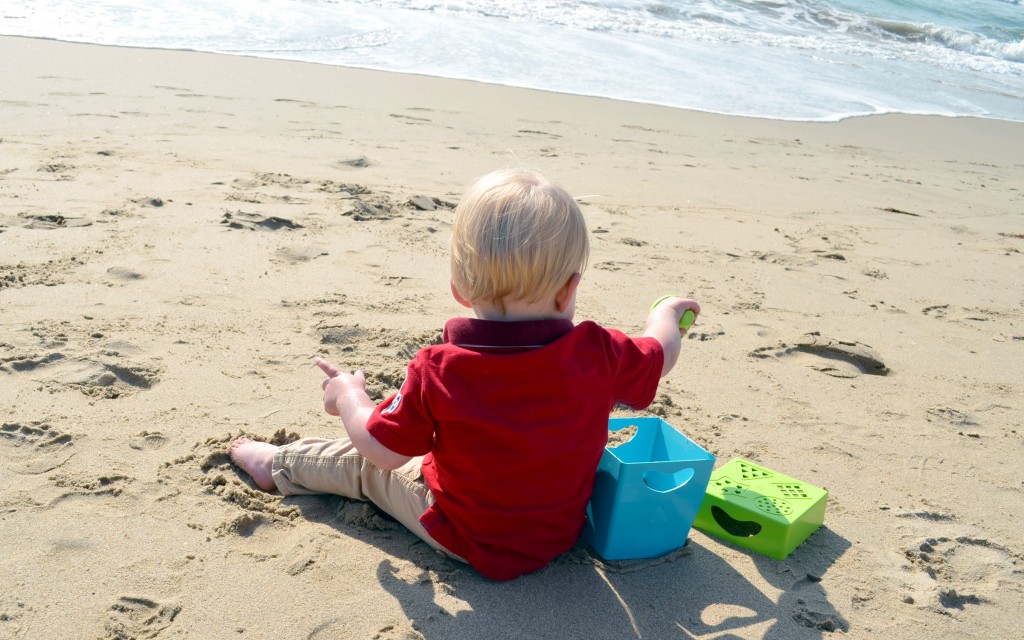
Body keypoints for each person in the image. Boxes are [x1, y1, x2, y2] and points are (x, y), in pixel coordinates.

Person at [229, 168, 699, 581]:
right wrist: (665, 313)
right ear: (569, 289)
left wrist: (349, 397)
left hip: (466, 537)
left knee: (357, 465)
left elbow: (382, 451)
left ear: (458, 287)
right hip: (557, 534)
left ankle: (278, 465)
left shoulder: (440, 368)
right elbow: (661, 351)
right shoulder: (601, 350)